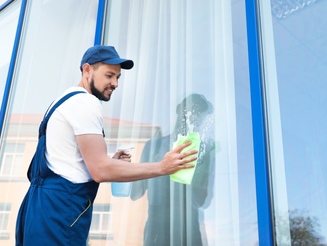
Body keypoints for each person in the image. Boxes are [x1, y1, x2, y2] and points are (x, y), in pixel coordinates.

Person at [15, 45, 198, 246]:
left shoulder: (62, 102)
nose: (115, 83)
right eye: (109, 75)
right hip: (59, 212)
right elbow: (100, 170)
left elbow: (70, 164)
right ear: (87, 70)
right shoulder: (86, 104)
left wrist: (111, 163)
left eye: (118, 77)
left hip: (38, 210)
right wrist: (162, 167)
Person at [131, 93, 215, 245]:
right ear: (180, 115)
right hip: (157, 232)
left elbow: (203, 200)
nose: (194, 122)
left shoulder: (202, 151)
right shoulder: (154, 146)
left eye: (198, 118)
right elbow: (135, 193)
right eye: (190, 115)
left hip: (189, 231)